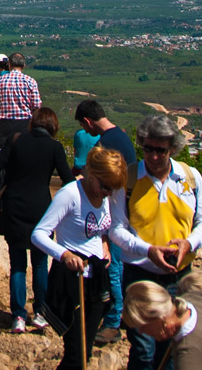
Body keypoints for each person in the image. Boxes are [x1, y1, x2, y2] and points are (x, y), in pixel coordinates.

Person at [111, 114, 202, 370]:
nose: (154, 157)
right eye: (148, 149)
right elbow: (116, 229)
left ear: (173, 149)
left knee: (172, 348)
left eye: (160, 150)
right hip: (140, 276)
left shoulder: (190, 178)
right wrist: (148, 250)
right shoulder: (129, 180)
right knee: (143, 350)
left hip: (180, 276)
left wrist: (188, 244)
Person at [34, 148, 128, 369]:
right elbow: (38, 234)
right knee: (76, 352)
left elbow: (101, 227)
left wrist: (104, 241)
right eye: (104, 186)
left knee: (85, 353)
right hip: (71, 279)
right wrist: (64, 254)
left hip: (96, 277)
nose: (107, 193)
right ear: (91, 174)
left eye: (112, 189)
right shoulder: (70, 195)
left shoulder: (108, 195)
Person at [0, 107, 76, 333]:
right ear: (53, 126)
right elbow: (68, 180)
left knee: (17, 264)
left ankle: (18, 316)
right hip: (41, 210)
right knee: (39, 264)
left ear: (33, 122)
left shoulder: (16, 140)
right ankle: (40, 313)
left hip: (14, 207)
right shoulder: (55, 148)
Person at [75, 99, 138, 345]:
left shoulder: (107, 143)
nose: (85, 130)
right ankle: (120, 313)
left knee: (112, 265)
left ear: (88, 121)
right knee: (118, 266)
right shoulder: (120, 136)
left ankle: (113, 321)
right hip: (124, 208)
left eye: (83, 125)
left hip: (114, 211)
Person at [126, 281, 202, 370]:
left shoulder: (189, 355)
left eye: (142, 325)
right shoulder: (195, 300)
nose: (141, 331)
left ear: (160, 318)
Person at [0, 52, 41, 148]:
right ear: (23, 65)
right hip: (25, 124)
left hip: (5, 124)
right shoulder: (30, 81)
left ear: (9, 64)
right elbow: (36, 106)